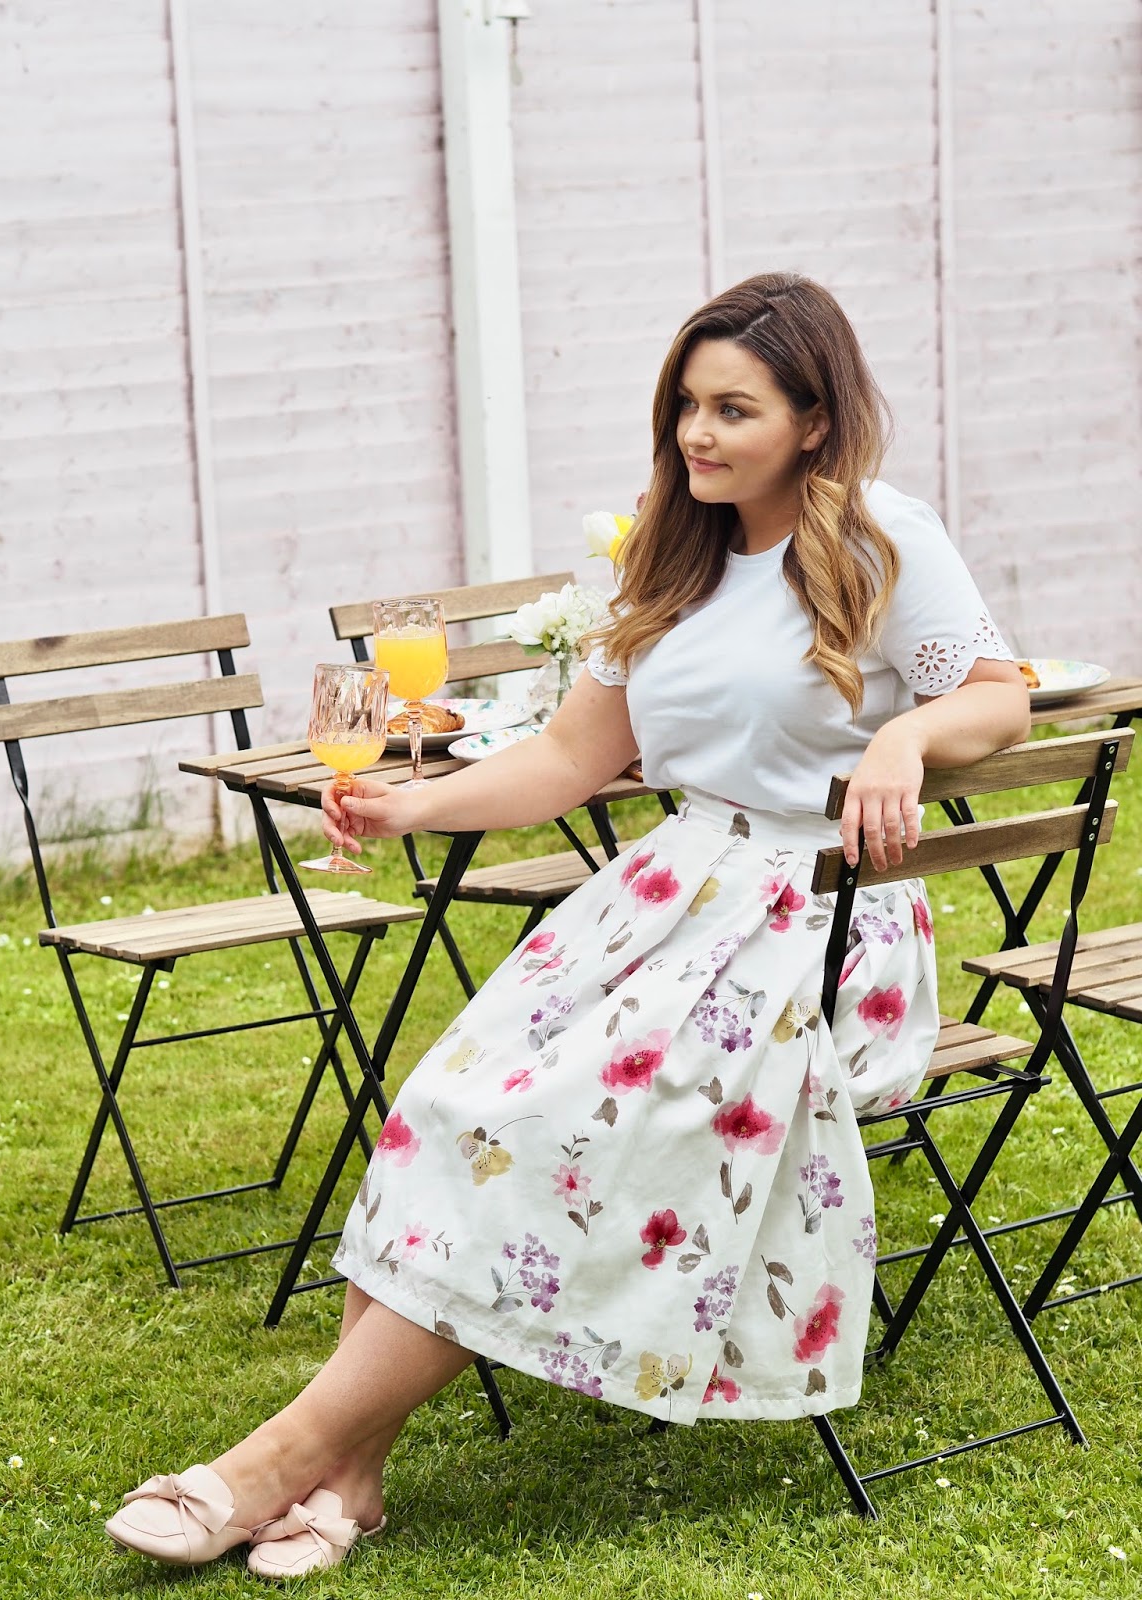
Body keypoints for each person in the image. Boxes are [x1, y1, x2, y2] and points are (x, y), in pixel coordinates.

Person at [106, 273, 1029, 1579]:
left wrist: (904, 736)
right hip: (671, 898)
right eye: (686, 406)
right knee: (447, 1100)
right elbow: (567, 758)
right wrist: (409, 808)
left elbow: (999, 699)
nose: (698, 433)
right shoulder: (672, 556)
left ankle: (266, 1465)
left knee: (537, 1126)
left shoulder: (883, 537)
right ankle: (350, 1475)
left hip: (815, 923)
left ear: (815, 421)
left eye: (734, 410)